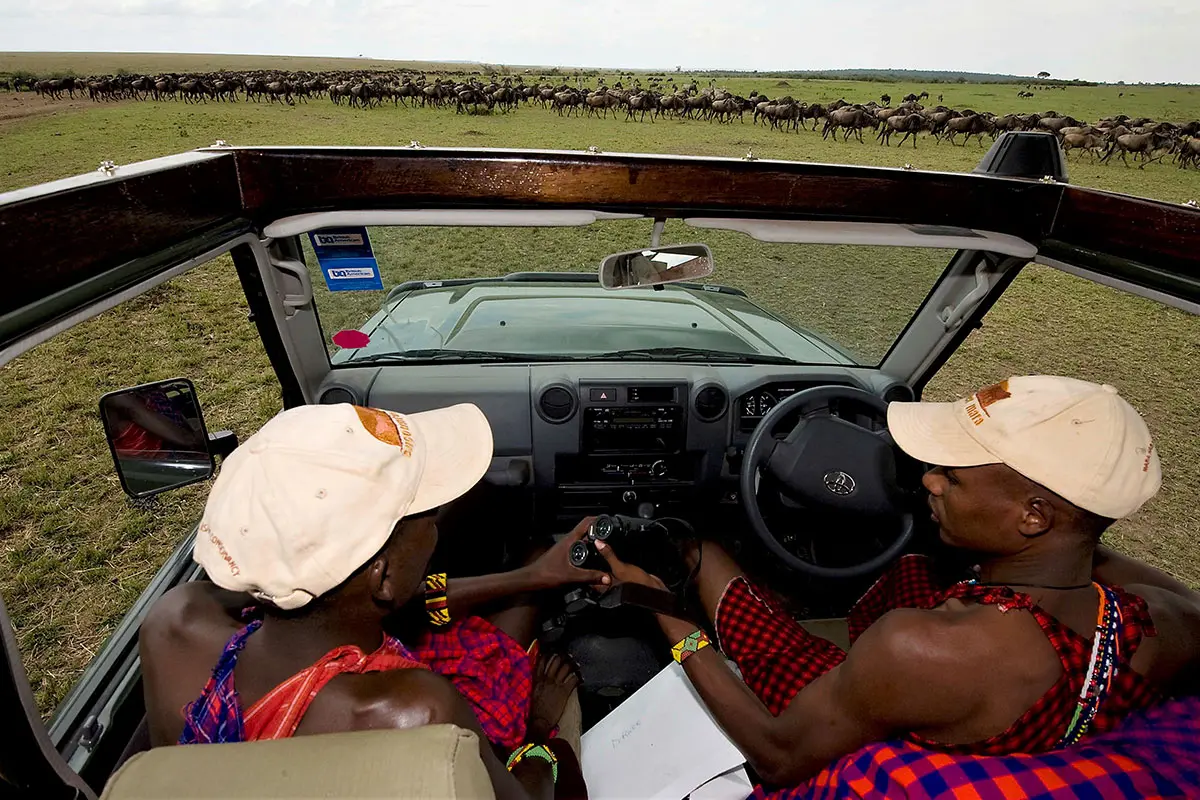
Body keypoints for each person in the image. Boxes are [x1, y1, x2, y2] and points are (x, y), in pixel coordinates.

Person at [598, 375, 1200, 788]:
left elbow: (779, 757)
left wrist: (665, 610)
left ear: (1035, 517)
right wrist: (1085, 546)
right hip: (971, 711)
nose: (929, 482)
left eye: (953, 477)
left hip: (859, 718)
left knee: (706, 555)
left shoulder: (920, 646)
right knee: (911, 565)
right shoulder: (1162, 626)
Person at [140, 402, 607, 800]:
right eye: (426, 513)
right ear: (383, 578)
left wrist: (532, 576)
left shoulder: (174, 620)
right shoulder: (417, 712)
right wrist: (540, 730)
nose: (436, 522)